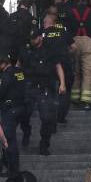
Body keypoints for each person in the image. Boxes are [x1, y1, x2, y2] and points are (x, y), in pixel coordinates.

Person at [21, 27, 65, 156]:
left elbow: (58, 66)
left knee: (47, 118)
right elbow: (19, 65)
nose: (32, 40)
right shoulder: (26, 50)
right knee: (23, 115)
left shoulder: (50, 50)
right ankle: (26, 132)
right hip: (29, 86)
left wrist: (62, 83)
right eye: (31, 38)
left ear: (40, 37)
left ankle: (44, 145)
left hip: (45, 86)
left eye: (35, 37)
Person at [65, 0, 91, 110]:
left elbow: (66, 30)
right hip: (90, 42)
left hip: (73, 42)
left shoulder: (70, 12)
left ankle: (74, 98)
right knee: (88, 72)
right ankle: (86, 101)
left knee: (75, 71)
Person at [0, 53, 30, 174]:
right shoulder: (19, 72)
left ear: (5, 63)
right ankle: (8, 164)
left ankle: (13, 169)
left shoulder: (5, 75)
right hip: (23, 107)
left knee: (9, 140)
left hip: (10, 109)